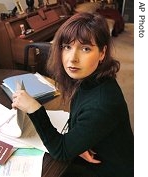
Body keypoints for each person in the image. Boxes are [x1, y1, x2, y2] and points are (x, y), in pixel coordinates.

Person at [12, 12, 134, 177]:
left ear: (102, 53)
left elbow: (61, 152)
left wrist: (34, 108)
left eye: (85, 48)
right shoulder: (92, 78)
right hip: (99, 151)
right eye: (67, 47)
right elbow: (79, 120)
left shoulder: (102, 103)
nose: (72, 58)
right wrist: (81, 142)